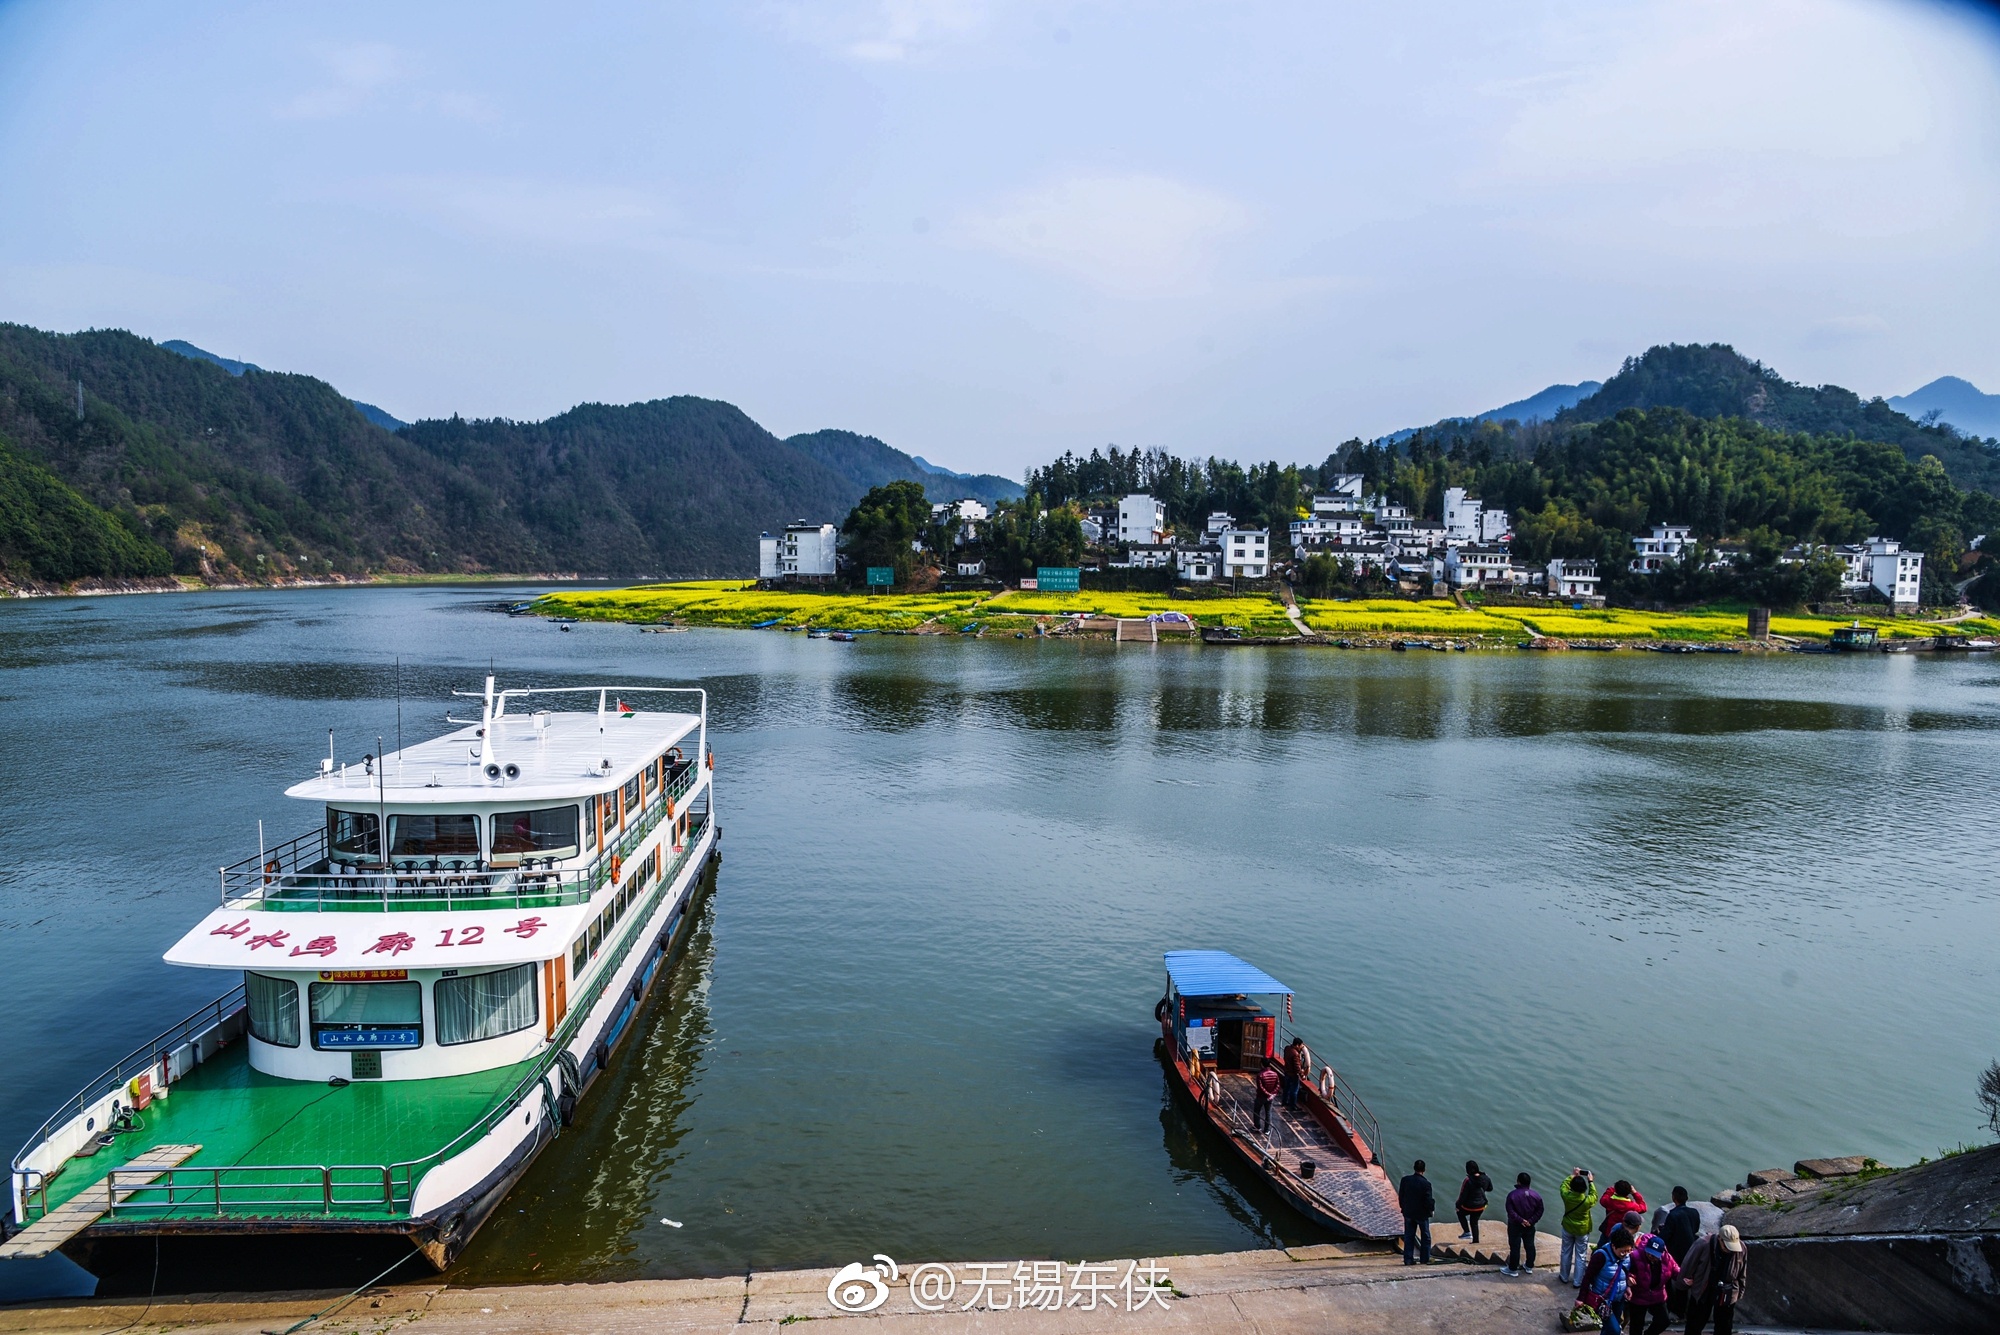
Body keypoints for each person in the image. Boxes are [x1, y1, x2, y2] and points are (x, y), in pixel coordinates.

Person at [1680, 1224, 1747, 1335]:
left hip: (1727, 1291)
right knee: (1694, 1325)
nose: (1729, 1250)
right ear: (1720, 1239)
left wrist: (1740, 1291)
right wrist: (1683, 1285)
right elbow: (1688, 1264)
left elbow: (1742, 1271)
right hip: (1704, 1289)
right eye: (1726, 1246)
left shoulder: (1741, 1248)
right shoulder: (1703, 1243)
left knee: (1724, 1326)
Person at [1577, 1224, 1636, 1335]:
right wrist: (1581, 1298)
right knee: (1615, 1330)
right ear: (1613, 1246)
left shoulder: (1628, 1256)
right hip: (1602, 1299)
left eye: (1629, 1250)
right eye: (1623, 1251)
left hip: (1618, 1299)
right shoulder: (1600, 1256)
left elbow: (1628, 1272)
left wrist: (1628, 1285)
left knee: (1608, 1329)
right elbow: (1587, 1277)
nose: (1626, 1254)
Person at [1657, 1187, 1703, 1318]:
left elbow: (1666, 1236)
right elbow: (1695, 1229)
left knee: (1671, 1278)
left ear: (1673, 1198)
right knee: (1685, 1278)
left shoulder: (1673, 1215)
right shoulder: (1694, 1212)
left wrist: (1659, 1234)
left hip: (1676, 1252)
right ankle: (1683, 1309)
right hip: (1692, 1250)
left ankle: (1674, 1306)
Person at [1623, 1230, 1680, 1335]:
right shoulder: (1634, 1256)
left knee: (1664, 1321)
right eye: (1649, 1253)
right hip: (1638, 1296)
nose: (1651, 1256)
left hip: (1658, 1296)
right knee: (1636, 1327)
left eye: (1654, 1255)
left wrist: (1685, 1279)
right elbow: (1626, 1271)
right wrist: (1629, 1278)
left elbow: (1676, 1272)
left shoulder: (1667, 1259)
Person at [1559, 1168, 1599, 1286]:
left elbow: (1563, 1186)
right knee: (1581, 1255)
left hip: (1567, 1227)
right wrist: (1591, 1181)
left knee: (1566, 1252)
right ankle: (1577, 1281)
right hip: (1582, 1230)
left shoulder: (1566, 1196)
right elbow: (1594, 1195)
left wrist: (1572, 1175)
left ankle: (1564, 1276)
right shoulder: (1587, 1200)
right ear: (1584, 1188)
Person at [1502, 1172, 1543, 1276]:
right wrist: (1531, 1221)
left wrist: (1521, 1220)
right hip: (1530, 1225)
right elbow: (1540, 1210)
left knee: (1515, 1247)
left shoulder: (1512, 1195)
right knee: (1530, 1246)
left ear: (1518, 1182)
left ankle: (1512, 1269)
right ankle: (1529, 1266)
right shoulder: (1536, 1196)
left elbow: (1510, 1211)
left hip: (1515, 1225)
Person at [1398, 1160, 1435, 1266]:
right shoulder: (1426, 1184)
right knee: (1425, 1236)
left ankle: (1408, 1259)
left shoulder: (1405, 1180)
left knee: (1409, 1236)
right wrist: (1431, 1210)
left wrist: (1403, 1207)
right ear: (1424, 1170)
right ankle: (1425, 1259)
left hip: (1408, 1212)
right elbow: (1428, 1201)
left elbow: (1401, 1195)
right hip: (1421, 1215)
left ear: (1414, 1168)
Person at [1455, 1160, 1494, 1241]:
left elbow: (1463, 1195)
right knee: (1474, 1223)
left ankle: (1467, 1232)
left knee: (1460, 1213)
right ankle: (1475, 1241)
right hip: (1481, 1206)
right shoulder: (1486, 1177)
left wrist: (1457, 1205)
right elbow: (1490, 1188)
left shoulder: (1468, 1180)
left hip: (1469, 1206)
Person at [1251, 1058, 1281, 1132]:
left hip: (1261, 1096)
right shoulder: (1275, 1074)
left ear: (1262, 1065)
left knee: (1257, 1111)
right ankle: (1267, 1130)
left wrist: (1267, 1094)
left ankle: (1257, 1127)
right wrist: (1272, 1094)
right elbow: (1278, 1085)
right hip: (1270, 1097)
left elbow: (1260, 1088)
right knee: (1268, 1113)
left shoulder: (1260, 1075)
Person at [1282, 1036, 1310, 1109]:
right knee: (1294, 1090)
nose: (1301, 1047)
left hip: (1286, 1071)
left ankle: (1284, 1101)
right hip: (1293, 1074)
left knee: (1286, 1088)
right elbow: (1297, 1067)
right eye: (1301, 1046)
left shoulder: (1287, 1048)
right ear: (1297, 1045)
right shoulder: (1295, 1054)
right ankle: (1292, 1105)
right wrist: (1302, 1075)